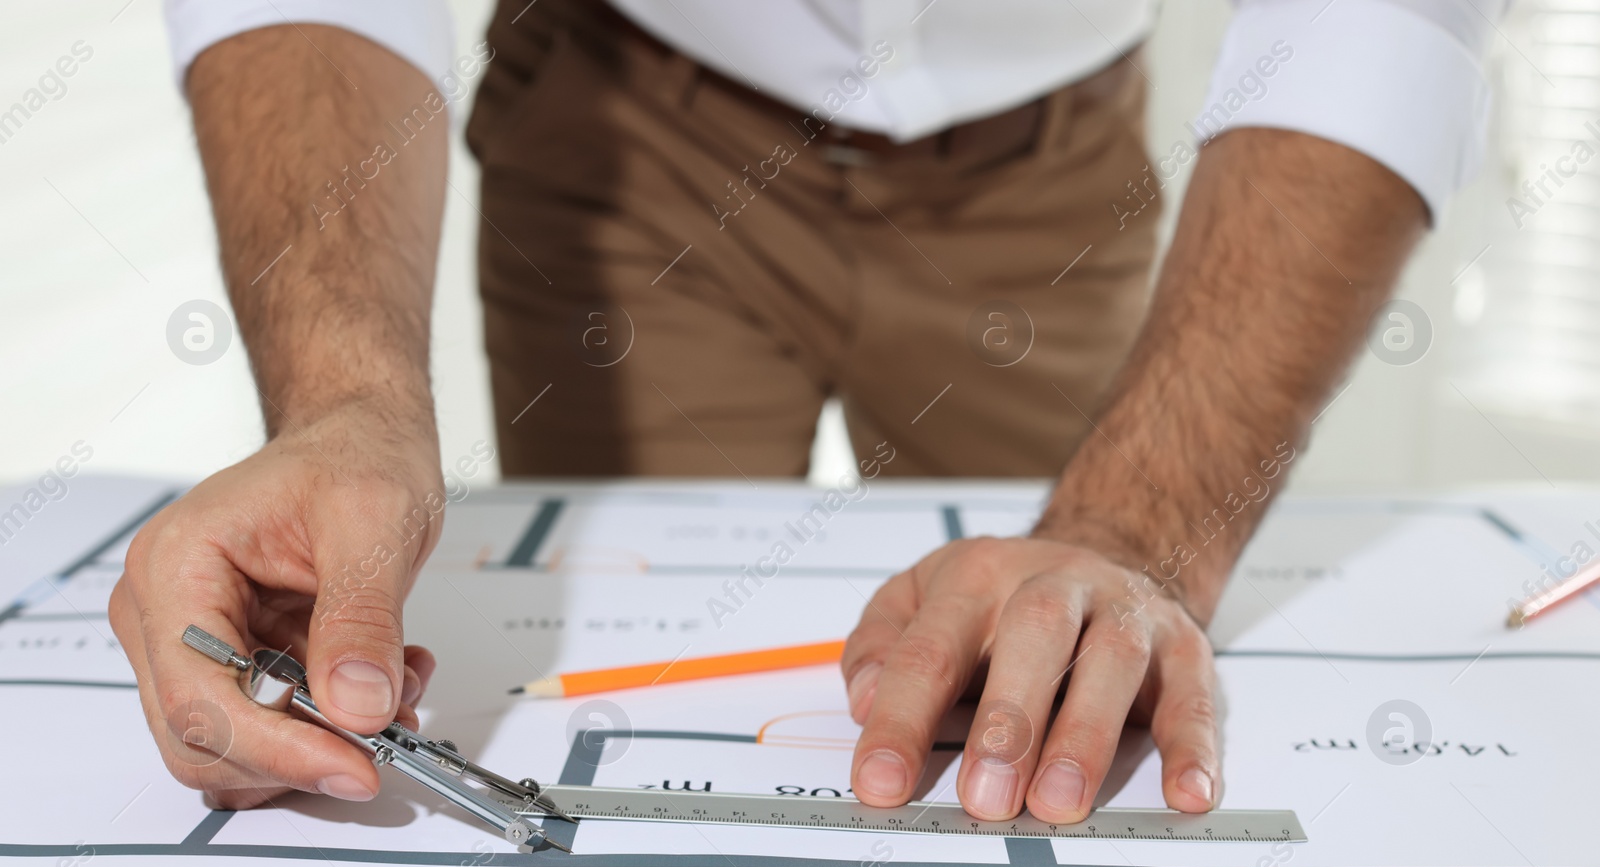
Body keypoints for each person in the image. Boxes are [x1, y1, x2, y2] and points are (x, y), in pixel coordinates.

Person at [114, 0, 1503, 822]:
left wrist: (1142, 535)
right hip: (628, 126)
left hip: (1051, 140)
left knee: (1066, 676)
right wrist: (341, 400)